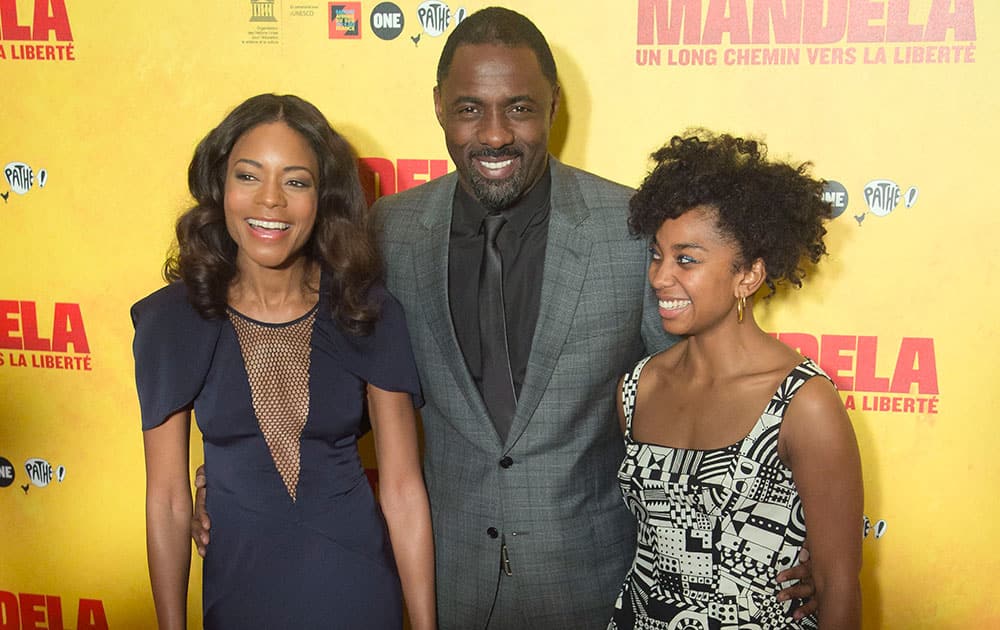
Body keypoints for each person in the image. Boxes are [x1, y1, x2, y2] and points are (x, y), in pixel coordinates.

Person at [192, 10, 817, 629]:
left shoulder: (627, 229)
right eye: (469, 108)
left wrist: (777, 540)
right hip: (443, 582)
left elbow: (693, 392)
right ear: (439, 105)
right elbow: (329, 388)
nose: (494, 134)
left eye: (518, 107)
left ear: (554, 103)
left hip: (596, 586)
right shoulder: (390, 230)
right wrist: (233, 474)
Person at [132, 93, 435, 630]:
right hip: (239, 594)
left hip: (359, 591)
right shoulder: (172, 320)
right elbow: (168, 500)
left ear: (323, 198)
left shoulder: (366, 310)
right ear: (219, 187)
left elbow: (404, 491)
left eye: (295, 181)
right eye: (248, 176)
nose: (270, 200)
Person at [609, 131, 863, 629]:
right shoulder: (637, 388)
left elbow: (838, 584)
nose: (660, 277)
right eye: (657, 255)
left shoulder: (802, 403)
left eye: (687, 259)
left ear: (747, 275)